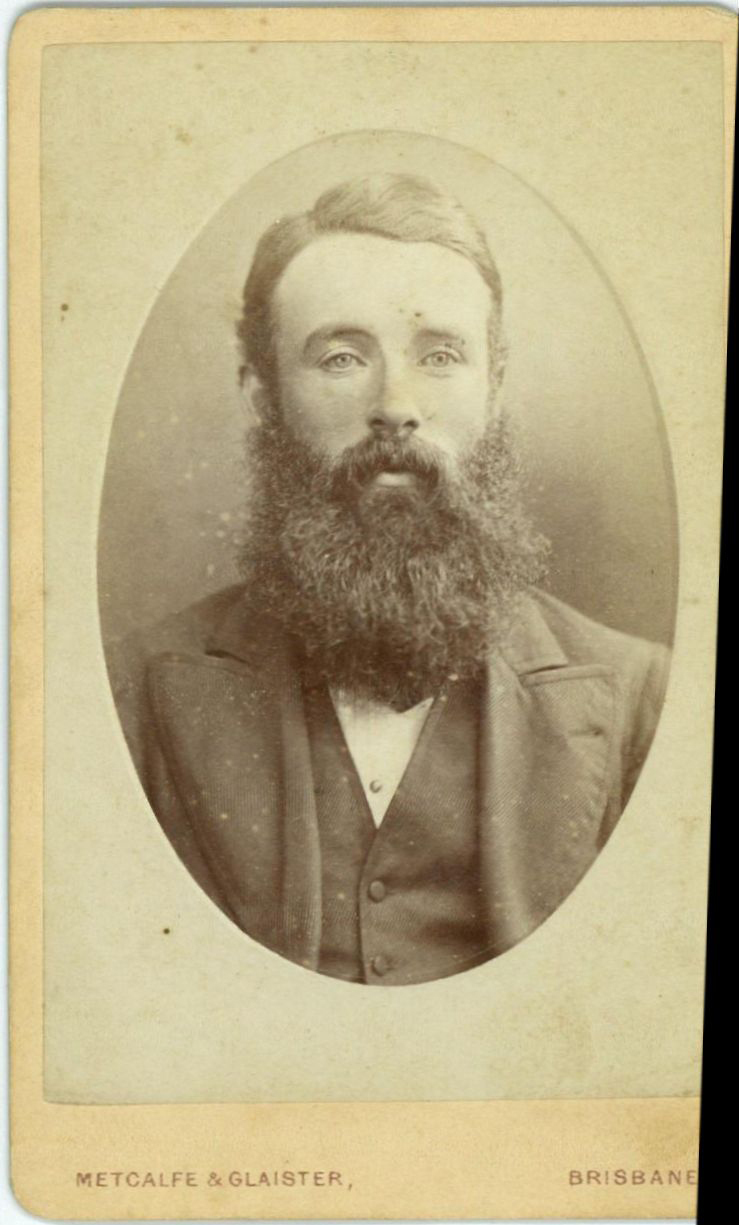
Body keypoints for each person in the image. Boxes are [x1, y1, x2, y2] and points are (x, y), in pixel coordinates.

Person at [108, 173, 670, 986]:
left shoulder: (644, 699)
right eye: (341, 358)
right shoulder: (129, 696)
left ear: (496, 384)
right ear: (262, 391)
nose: (396, 406)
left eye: (439, 355)